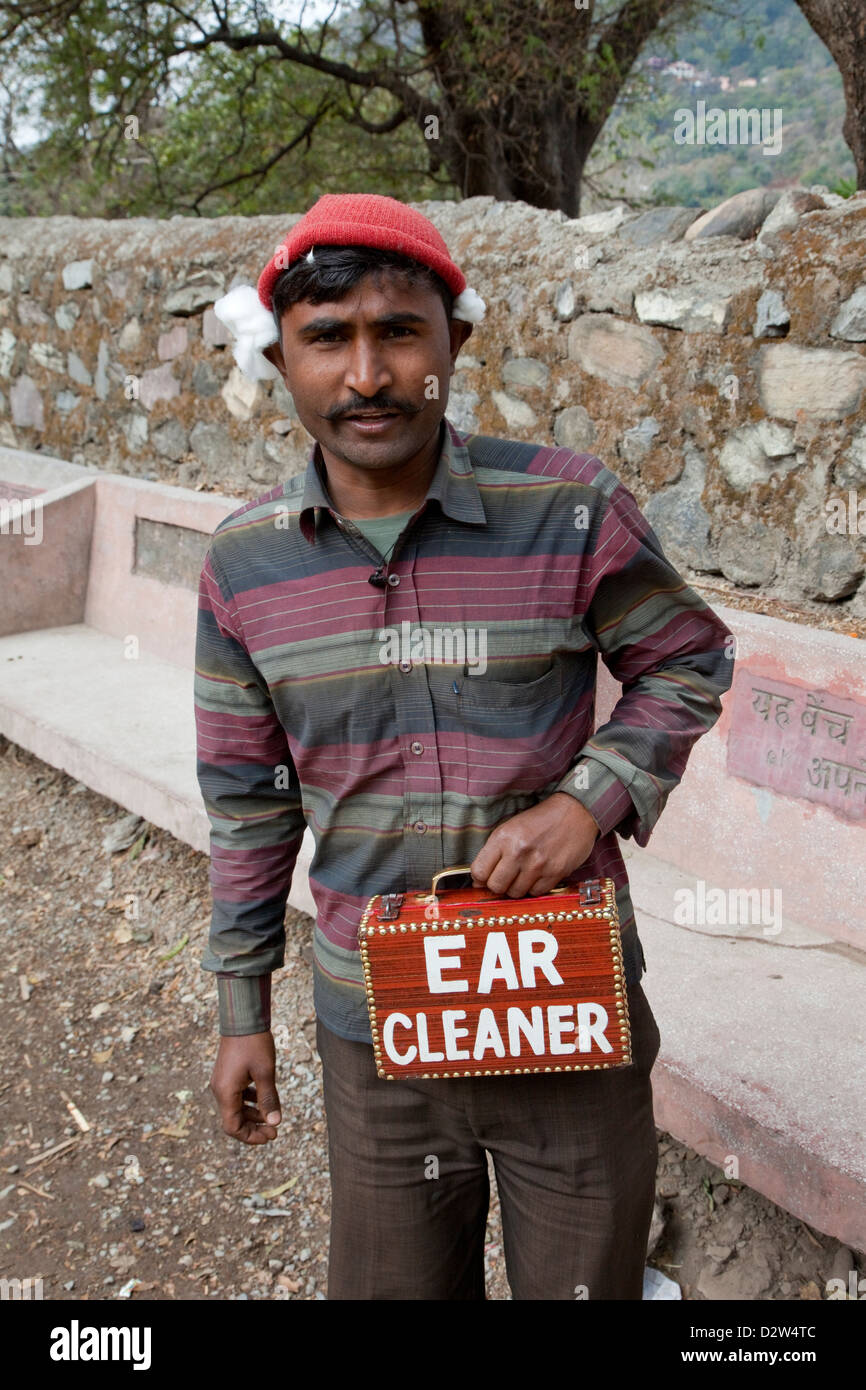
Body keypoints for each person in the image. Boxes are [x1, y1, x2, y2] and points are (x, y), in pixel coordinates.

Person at [194, 192, 735, 1300]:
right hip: (375, 1026)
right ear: (279, 356)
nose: (366, 375)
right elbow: (250, 801)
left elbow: (684, 658)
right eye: (326, 339)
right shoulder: (245, 564)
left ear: (455, 343)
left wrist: (587, 799)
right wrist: (241, 1009)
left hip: (564, 1002)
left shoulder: (569, 508)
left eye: (399, 331)